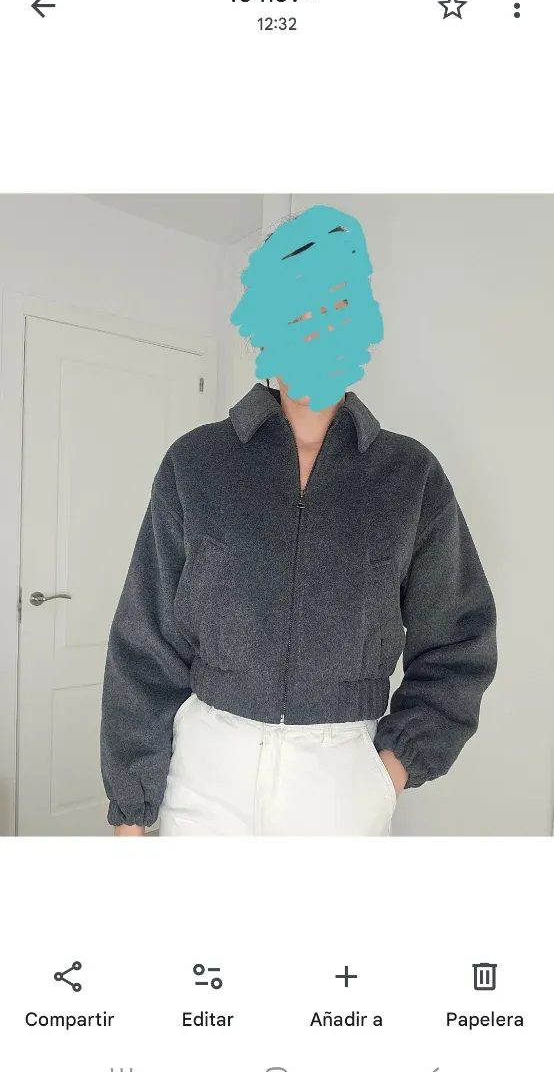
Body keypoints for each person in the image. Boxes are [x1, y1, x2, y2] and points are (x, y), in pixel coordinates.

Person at [100, 206, 497, 836]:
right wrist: (132, 806)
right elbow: (145, 639)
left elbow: (458, 639)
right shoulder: (196, 462)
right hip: (205, 772)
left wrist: (392, 767)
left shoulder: (409, 475)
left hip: (340, 779)